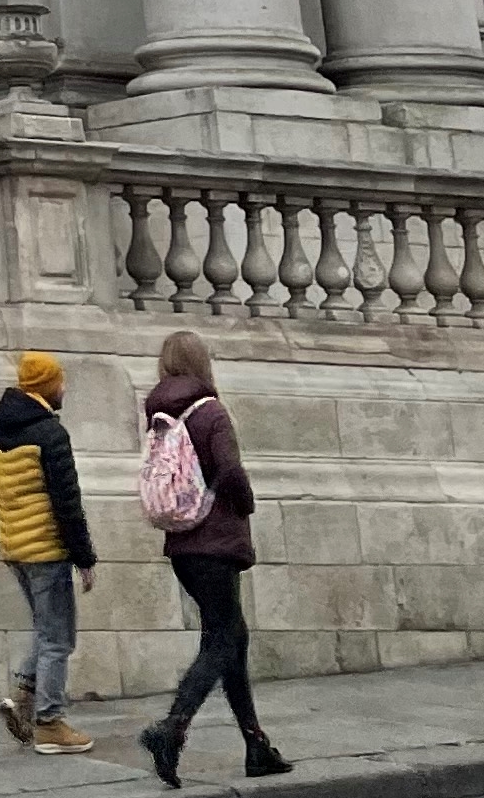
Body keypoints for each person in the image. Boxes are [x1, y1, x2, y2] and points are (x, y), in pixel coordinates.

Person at [137, 332, 290, 785]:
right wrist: (245, 505)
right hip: (215, 543)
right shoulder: (210, 412)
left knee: (230, 639)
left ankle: (256, 745)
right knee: (223, 642)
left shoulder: (160, 416)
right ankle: (172, 728)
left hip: (183, 545)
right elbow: (230, 471)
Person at [0, 347, 97, 752]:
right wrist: (84, 557)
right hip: (47, 551)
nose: (64, 388)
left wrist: (5, 540)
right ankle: (50, 723)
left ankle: (22, 699)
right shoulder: (50, 434)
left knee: (46, 630)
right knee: (58, 639)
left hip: (16, 549)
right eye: (60, 381)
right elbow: (67, 502)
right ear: (47, 386)